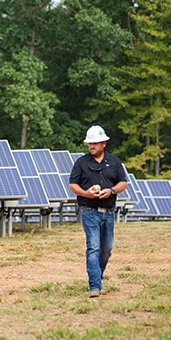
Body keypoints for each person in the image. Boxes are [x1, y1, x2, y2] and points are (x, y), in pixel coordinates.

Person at [68, 125, 128, 298]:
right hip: (89, 211)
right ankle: (94, 285)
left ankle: (97, 275)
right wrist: (86, 193)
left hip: (108, 212)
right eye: (89, 144)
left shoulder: (114, 162)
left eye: (94, 143)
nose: (91, 146)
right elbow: (73, 185)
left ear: (103, 144)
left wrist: (112, 191)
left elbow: (123, 183)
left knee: (107, 249)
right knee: (93, 247)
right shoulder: (81, 163)